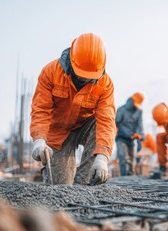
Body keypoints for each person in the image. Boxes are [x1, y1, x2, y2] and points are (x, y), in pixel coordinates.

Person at [30, 33, 115, 185]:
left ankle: (84, 186)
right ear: (72, 60)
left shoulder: (105, 84)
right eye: (82, 75)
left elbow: (106, 121)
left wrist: (102, 156)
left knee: (86, 183)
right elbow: (41, 109)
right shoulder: (51, 72)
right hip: (58, 132)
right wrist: (39, 140)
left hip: (86, 126)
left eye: (89, 77)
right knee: (59, 187)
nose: (85, 79)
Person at [115, 92, 144, 176]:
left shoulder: (139, 111)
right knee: (123, 158)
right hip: (121, 138)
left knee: (131, 160)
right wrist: (114, 132)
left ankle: (131, 177)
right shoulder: (121, 110)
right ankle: (124, 177)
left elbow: (140, 125)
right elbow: (114, 123)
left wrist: (140, 138)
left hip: (131, 139)